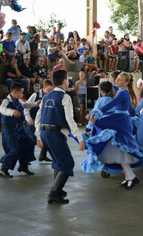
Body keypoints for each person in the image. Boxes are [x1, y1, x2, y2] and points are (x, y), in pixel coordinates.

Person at [84, 72, 143, 189]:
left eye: (120, 80)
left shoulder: (123, 93)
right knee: (119, 150)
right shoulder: (122, 92)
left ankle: (131, 177)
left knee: (121, 149)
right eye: (117, 79)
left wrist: (96, 113)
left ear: (126, 83)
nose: (117, 81)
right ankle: (129, 177)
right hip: (119, 120)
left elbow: (111, 103)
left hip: (120, 122)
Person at [35, 70, 84, 204]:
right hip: (53, 133)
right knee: (67, 163)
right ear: (64, 81)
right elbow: (70, 119)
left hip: (45, 133)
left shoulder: (46, 97)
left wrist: (38, 135)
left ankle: (58, 190)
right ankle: (54, 193)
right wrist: (79, 138)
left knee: (57, 162)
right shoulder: (65, 97)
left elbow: (38, 117)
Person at [0, 82, 40, 178]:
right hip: (8, 129)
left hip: (18, 129)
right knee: (14, 150)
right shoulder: (7, 101)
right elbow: (1, 109)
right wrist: (12, 112)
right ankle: (4, 168)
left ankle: (23, 164)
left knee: (29, 142)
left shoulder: (18, 101)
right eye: (21, 92)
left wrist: (35, 103)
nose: (22, 95)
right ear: (14, 91)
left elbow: (26, 105)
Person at [24, 79, 54, 162]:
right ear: (43, 87)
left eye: (52, 89)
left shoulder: (49, 97)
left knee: (45, 139)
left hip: (43, 122)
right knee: (31, 142)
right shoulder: (35, 95)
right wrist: (28, 119)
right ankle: (24, 162)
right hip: (32, 122)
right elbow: (26, 107)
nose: (50, 91)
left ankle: (42, 155)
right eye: (49, 89)